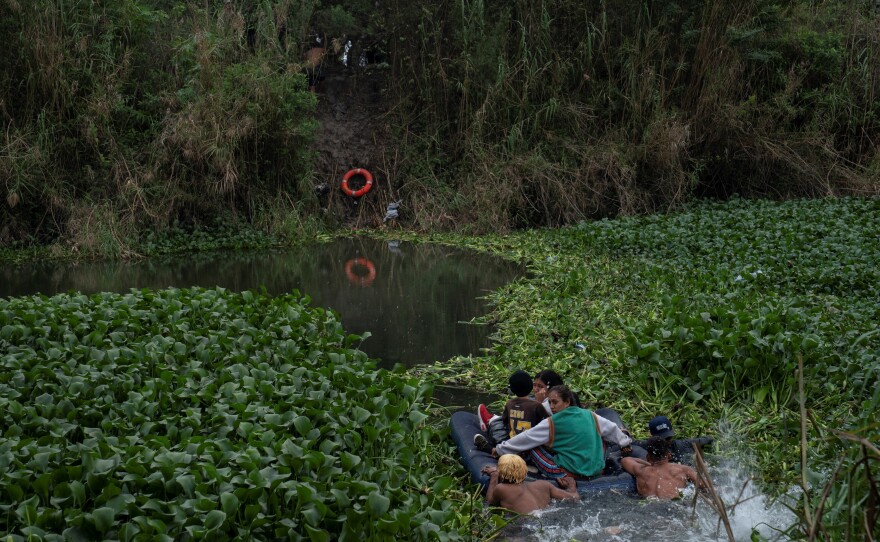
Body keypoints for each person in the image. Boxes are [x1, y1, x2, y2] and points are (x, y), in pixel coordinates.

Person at [492, 385, 633, 480]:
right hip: (597, 471)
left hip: (568, 473)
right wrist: (625, 442)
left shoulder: (552, 422)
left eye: (555, 402)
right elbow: (613, 428)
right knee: (602, 436)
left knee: (531, 446)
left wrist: (500, 449)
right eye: (550, 403)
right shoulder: (591, 415)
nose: (552, 407)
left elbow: (526, 437)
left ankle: (531, 470)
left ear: (567, 402)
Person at [474, 370, 548, 453]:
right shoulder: (537, 405)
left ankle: (490, 422)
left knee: (499, 425)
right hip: (529, 448)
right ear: (531, 386)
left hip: (512, 443)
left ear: (512, 390)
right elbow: (548, 424)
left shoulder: (509, 403)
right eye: (535, 385)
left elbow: (504, 422)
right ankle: (490, 421)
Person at [482, 454, 580, 514]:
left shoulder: (502, 489)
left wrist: (494, 476)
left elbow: (490, 502)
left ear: (502, 471)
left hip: (525, 525)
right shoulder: (544, 485)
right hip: (545, 518)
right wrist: (571, 487)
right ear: (525, 470)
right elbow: (574, 498)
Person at [621, 436, 703, 499]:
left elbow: (625, 460)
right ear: (669, 455)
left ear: (648, 457)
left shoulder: (641, 471)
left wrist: (648, 464)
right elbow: (706, 486)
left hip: (649, 507)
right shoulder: (683, 470)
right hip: (673, 506)